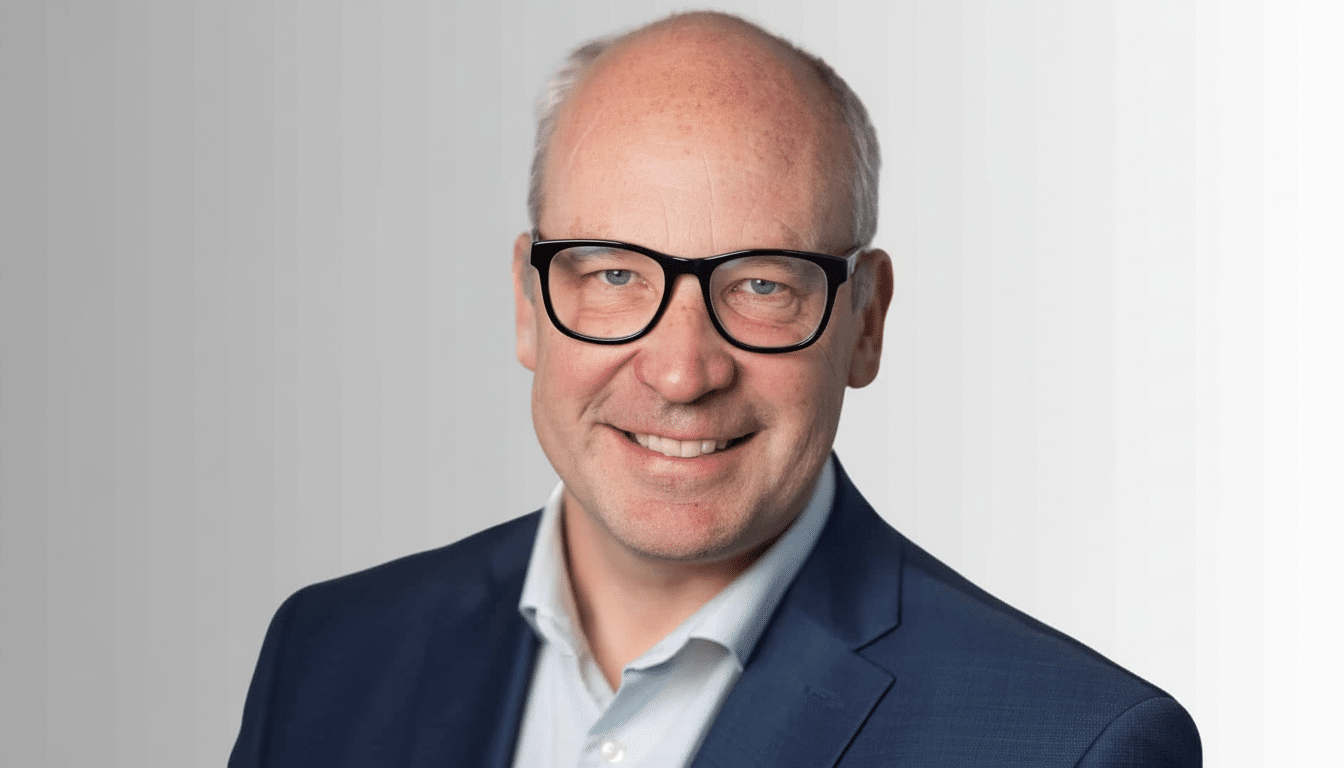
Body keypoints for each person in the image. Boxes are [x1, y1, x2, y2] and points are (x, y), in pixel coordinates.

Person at [229, 12, 1200, 767]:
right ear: (529, 302)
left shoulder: (1071, 747)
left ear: (865, 320)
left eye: (763, 284)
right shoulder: (330, 657)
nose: (682, 371)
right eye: (614, 276)